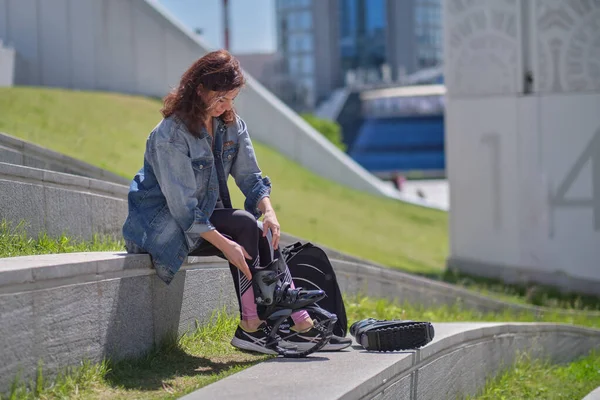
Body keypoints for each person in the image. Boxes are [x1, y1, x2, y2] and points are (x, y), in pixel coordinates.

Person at [122, 49, 351, 355]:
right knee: (243, 226)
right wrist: (226, 245)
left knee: (259, 228)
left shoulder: (230, 124)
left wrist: (269, 211)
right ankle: (287, 321)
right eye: (221, 98)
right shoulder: (171, 135)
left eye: (231, 98)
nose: (227, 106)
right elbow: (183, 210)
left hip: (204, 219)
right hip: (162, 228)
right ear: (199, 89)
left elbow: (251, 177)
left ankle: (267, 324)